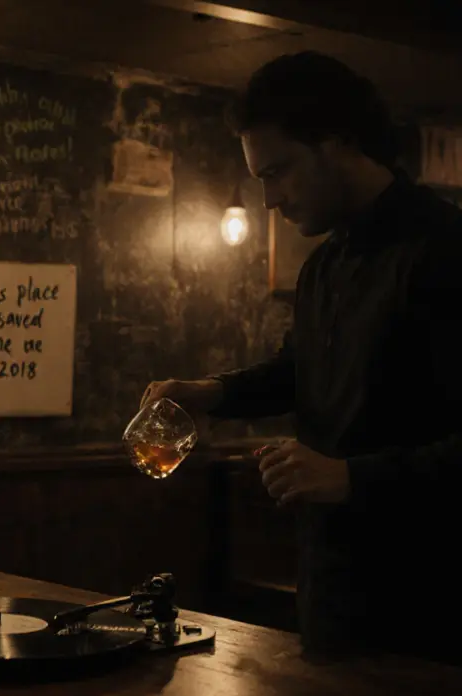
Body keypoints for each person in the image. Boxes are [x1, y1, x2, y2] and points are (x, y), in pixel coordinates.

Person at [142, 52, 462, 664]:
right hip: (333, 596)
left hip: (432, 611)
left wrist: (350, 476)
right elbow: (303, 371)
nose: (268, 200)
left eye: (279, 172)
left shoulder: (446, 250)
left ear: (338, 142)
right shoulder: (323, 266)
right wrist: (213, 391)